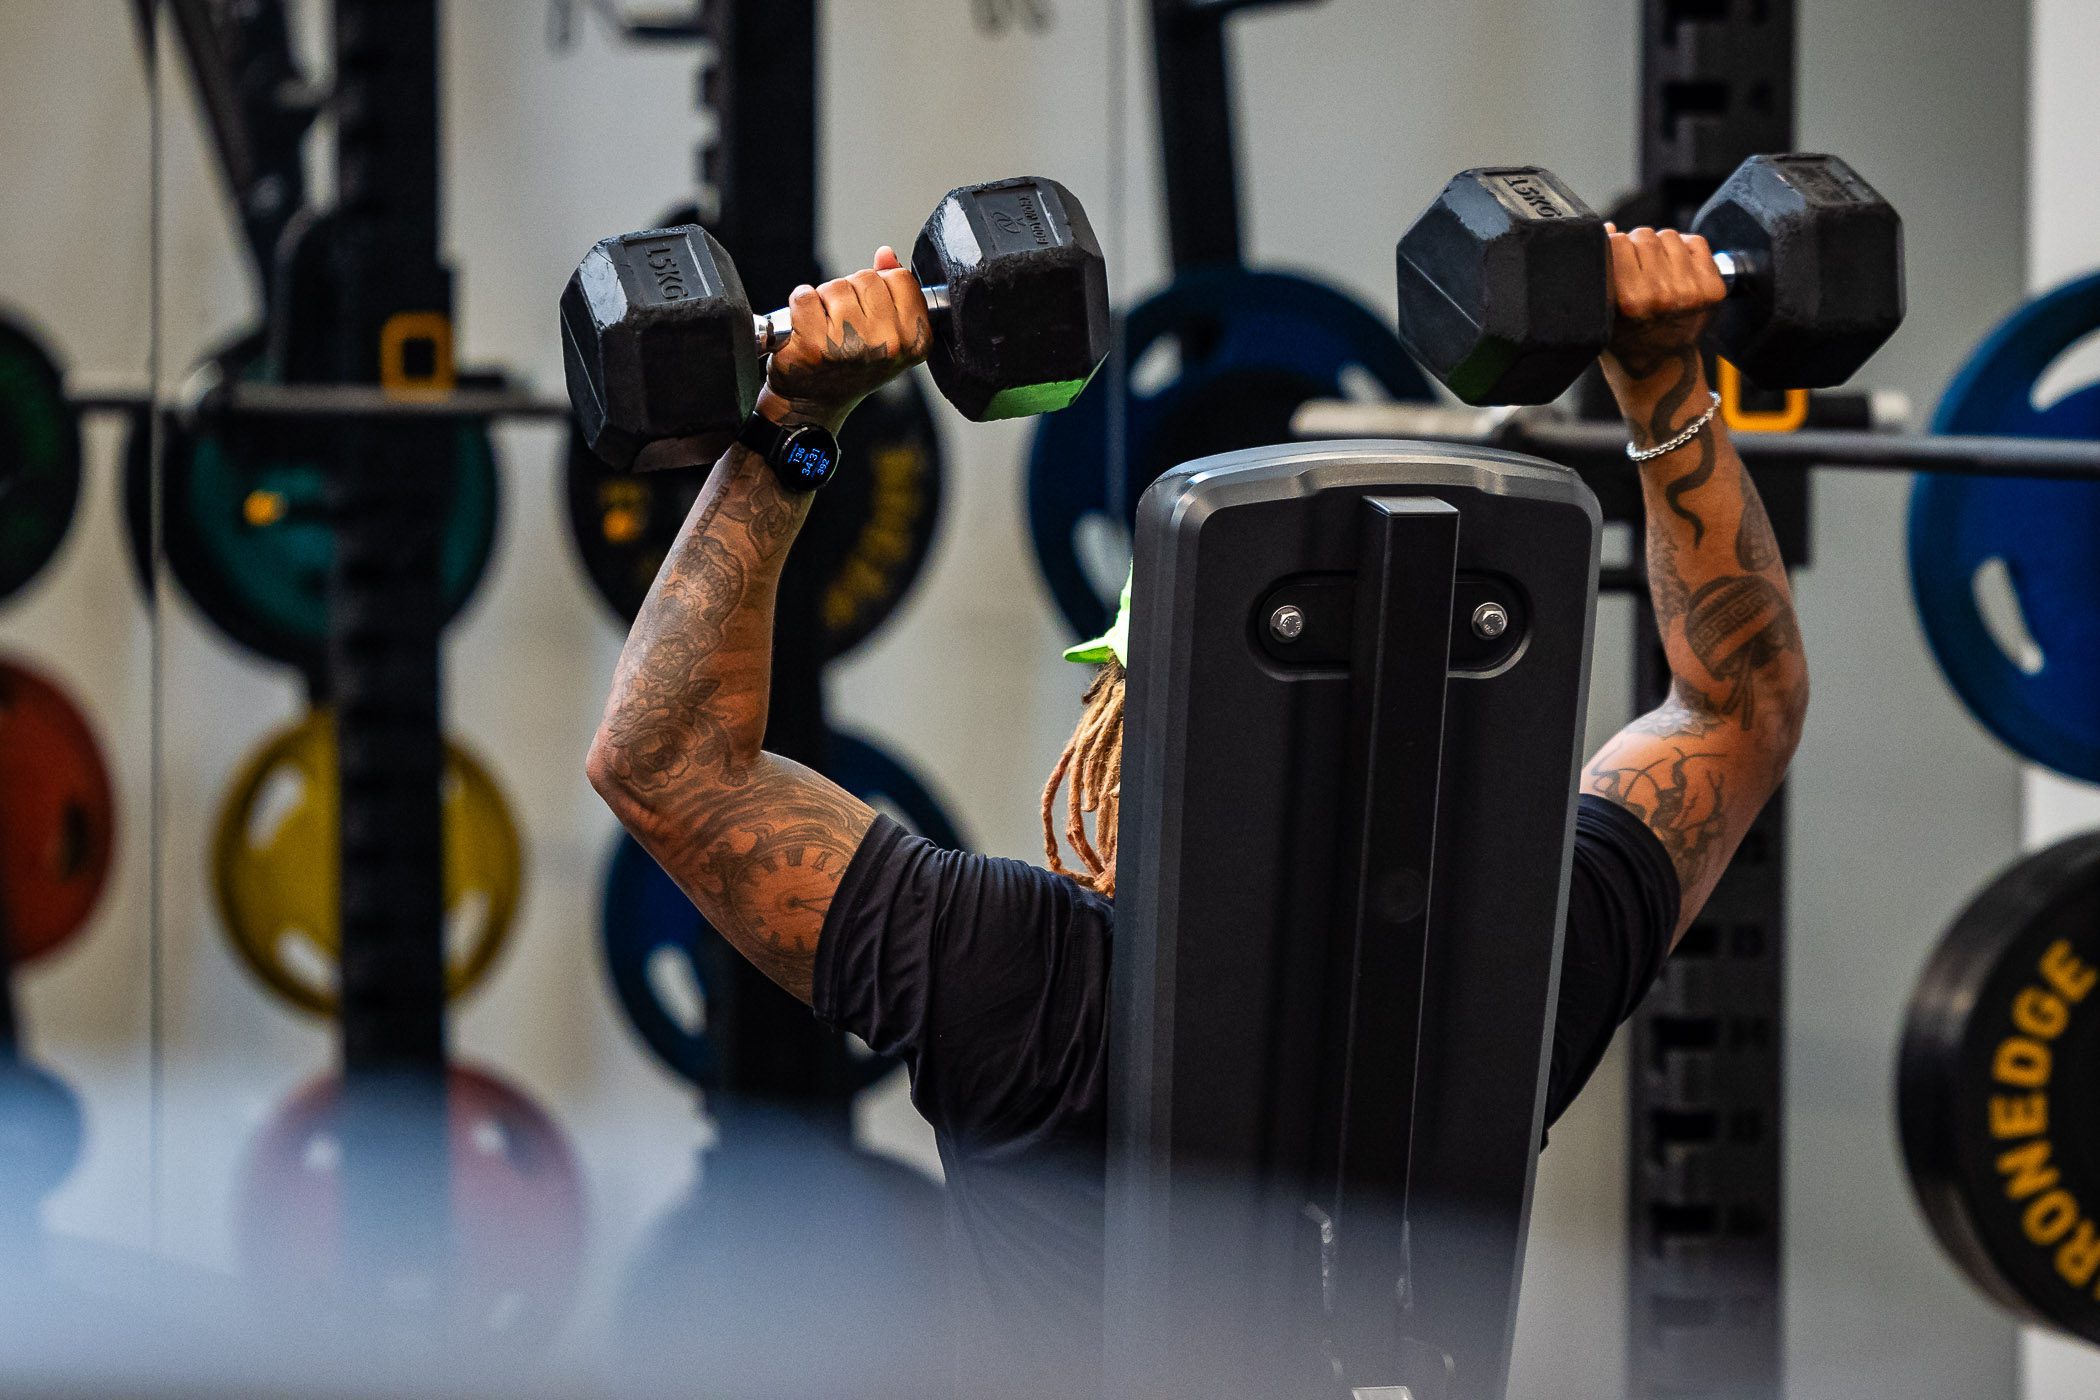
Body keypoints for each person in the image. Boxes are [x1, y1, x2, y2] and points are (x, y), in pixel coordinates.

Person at [587, 228, 1809, 1385]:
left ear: (1128, 737)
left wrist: (798, 420)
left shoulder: (1029, 978)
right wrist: (1663, 384)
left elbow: (665, 761)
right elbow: (1734, 706)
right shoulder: (1516, 963)